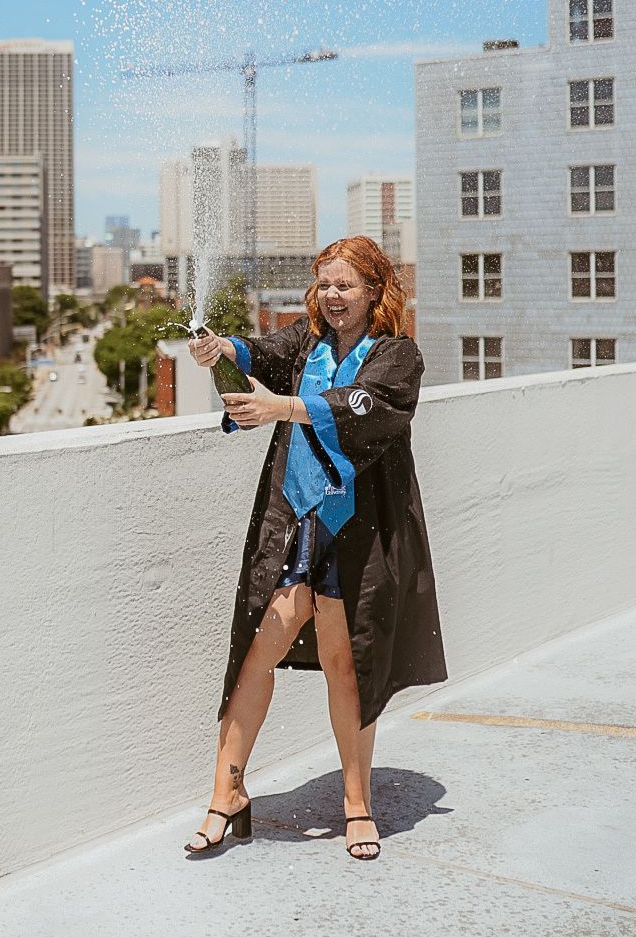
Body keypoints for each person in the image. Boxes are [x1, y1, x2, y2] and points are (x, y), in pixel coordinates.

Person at [184, 236, 446, 860]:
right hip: (294, 523)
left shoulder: (397, 355)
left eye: (346, 285)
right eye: (325, 284)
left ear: (375, 291)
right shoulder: (305, 341)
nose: (332, 296)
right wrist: (222, 349)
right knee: (255, 649)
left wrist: (283, 406)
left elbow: (366, 407)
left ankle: (357, 805)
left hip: (358, 532)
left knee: (344, 662)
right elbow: (261, 352)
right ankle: (227, 794)